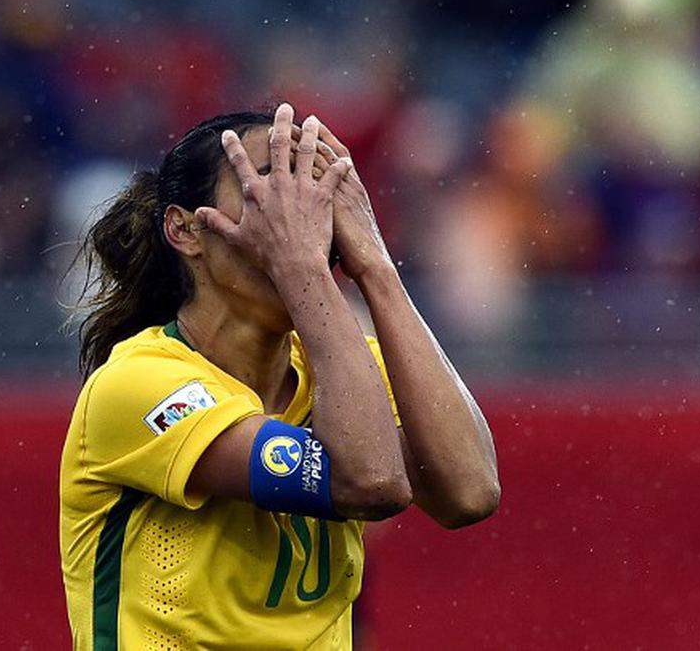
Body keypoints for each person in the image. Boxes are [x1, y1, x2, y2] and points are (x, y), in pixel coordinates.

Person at [59, 103, 501, 650]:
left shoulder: (343, 367)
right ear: (186, 230)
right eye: (269, 181)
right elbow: (371, 481)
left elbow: (470, 491)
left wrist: (376, 267)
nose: (303, 212)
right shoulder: (140, 382)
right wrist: (304, 266)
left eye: (314, 185)